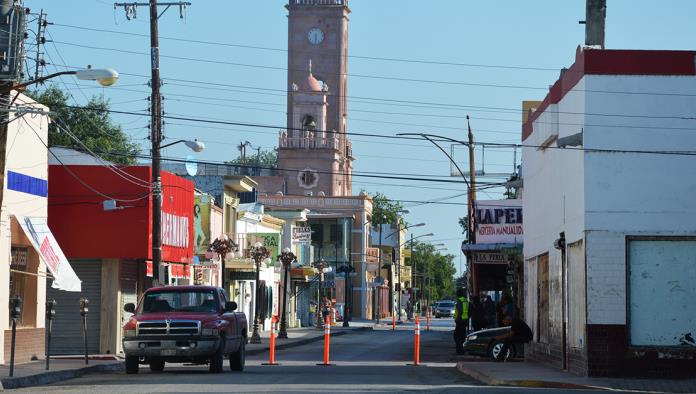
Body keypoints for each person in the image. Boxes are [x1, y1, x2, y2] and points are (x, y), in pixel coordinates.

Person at [453, 288, 470, 355]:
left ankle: (459, 350)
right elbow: (469, 310)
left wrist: (457, 319)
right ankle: (462, 350)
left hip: (460, 321)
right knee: (462, 336)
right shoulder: (466, 301)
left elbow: (460, 311)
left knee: (456, 336)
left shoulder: (459, 301)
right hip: (465, 321)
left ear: (458, 294)